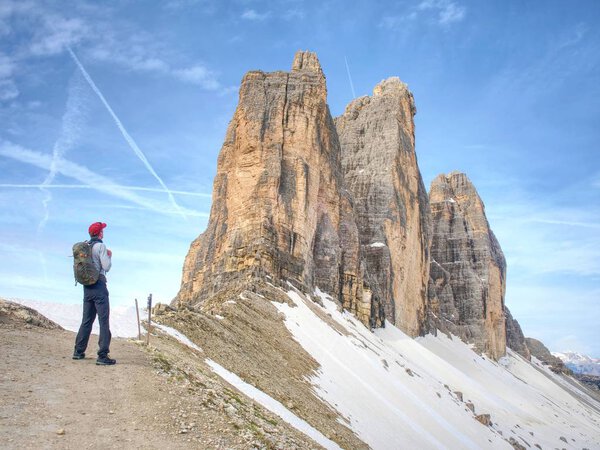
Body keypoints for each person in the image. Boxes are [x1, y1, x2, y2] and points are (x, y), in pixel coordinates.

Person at [73, 222, 116, 365]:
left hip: (87, 287)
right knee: (103, 321)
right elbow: (107, 267)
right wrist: (109, 256)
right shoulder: (100, 246)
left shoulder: (86, 247)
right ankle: (102, 356)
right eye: (102, 230)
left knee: (86, 320)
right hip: (99, 286)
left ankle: (78, 352)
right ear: (100, 233)